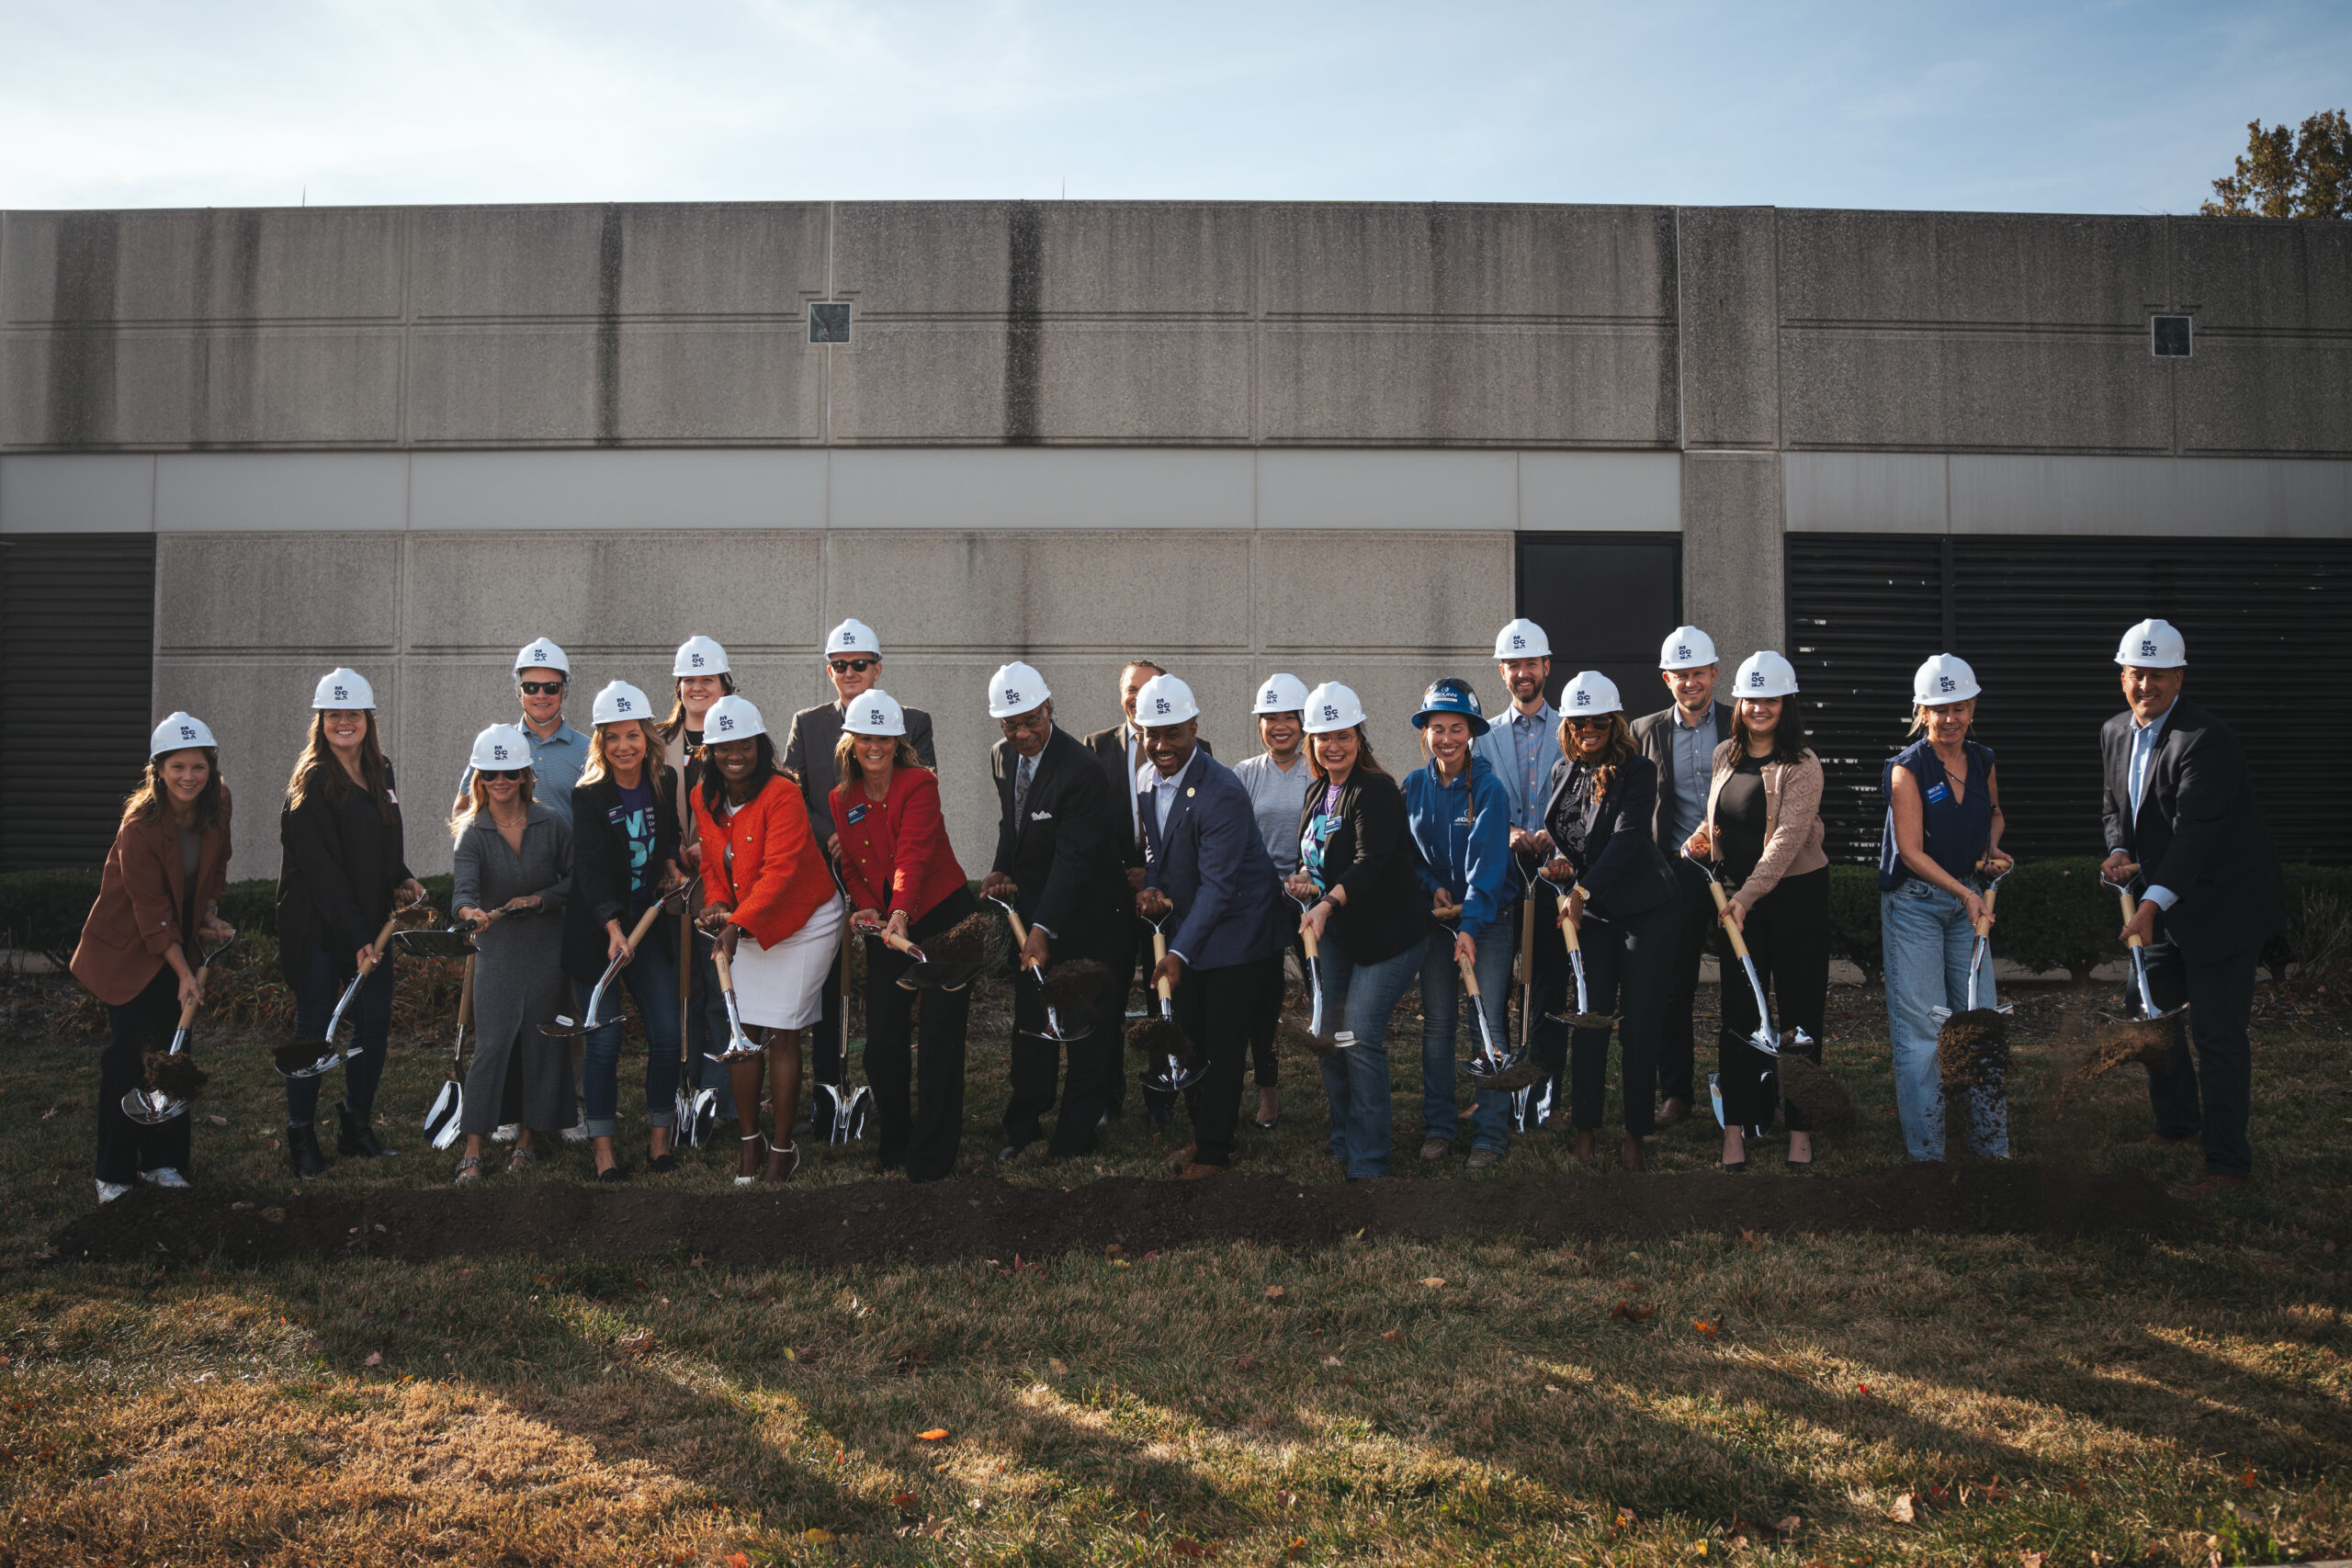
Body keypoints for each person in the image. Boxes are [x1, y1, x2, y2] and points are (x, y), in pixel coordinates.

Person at [2100, 617, 2284, 1200]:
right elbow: (2114, 806)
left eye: (2158, 675)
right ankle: (2177, 1125)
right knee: (2152, 1015)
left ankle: (2227, 1165)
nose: (2146, 685)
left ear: (2179, 677)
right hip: (2163, 898)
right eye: (2137, 674)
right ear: (2122, 676)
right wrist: (2120, 849)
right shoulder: (2113, 732)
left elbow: (2195, 833)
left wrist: (2151, 902)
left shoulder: (2208, 740)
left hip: (2223, 906)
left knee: (2216, 1033)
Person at [70, 713, 234, 1202]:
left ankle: (165, 1164)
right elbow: (151, 913)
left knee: (174, 1058)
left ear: (211, 768)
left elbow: (217, 862)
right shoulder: (140, 825)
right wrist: (186, 972)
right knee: (127, 1061)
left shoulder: (218, 803)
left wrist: (208, 912)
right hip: (130, 950)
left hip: (176, 941)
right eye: (177, 766)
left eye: (198, 767)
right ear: (158, 770)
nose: (189, 777)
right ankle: (114, 1175)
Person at [1133, 674, 1289, 1180]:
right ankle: (1204, 1139)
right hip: (1192, 927)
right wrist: (1153, 886)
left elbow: (1220, 887)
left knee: (1220, 1046)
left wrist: (1178, 954)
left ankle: (1215, 1155)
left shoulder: (1220, 789)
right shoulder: (1145, 779)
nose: (1161, 746)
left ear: (1194, 727)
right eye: (1150, 734)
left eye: (1172, 733)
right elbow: (1156, 851)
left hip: (1239, 932)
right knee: (1191, 1037)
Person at [783, 618, 937, 1126]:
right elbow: (793, 795)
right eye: (840, 665)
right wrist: (833, 833)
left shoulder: (913, 720)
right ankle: (827, 1092)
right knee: (828, 980)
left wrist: (855, 835)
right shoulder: (808, 723)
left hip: (887, 875)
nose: (850, 672)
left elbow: (920, 785)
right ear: (830, 672)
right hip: (825, 870)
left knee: (887, 989)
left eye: (860, 664)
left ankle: (883, 1091)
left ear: (878, 667)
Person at [276, 668, 425, 1178]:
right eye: (334, 715)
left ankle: (355, 1125)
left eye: (353, 714)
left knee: (375, 1023)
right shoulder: (312, 782)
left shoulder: (380, 769)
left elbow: (384, 843)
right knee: (315, 1029)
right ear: (321, 721)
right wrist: (357, 937)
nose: (344, 723)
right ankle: (300, 1136)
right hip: (318, 927)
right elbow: (323, 874)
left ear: (368, 719)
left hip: (369, 924)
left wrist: (400, 877)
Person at [1685, 651, 1829, 1173]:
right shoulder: (1726, 753)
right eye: (1751, 698)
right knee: (1740, 1017)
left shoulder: (1803, 765)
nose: (1759, 708)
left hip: (1793, 900)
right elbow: (1722, 819)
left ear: (1785, 704)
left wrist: (1746, 897)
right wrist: (1699, 840)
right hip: (1735, 905)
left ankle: (1799, 1130)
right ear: (1739, 703)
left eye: (1770, 699)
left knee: (1799, 1016)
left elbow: (1786, 841)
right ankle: (1736, 1131)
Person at [693, 694, 845, 1184]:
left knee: (780, 1030)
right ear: (710, 751)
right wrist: (718, 904)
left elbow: (780, 874)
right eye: (722, 746)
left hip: (805, 918)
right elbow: (713, 864)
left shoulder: (782, 793)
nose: (733, 754)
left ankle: (781, 1149)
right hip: (747, 920)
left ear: (760, 744)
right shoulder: (703, 797)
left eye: (744, 744)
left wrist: (736, 925)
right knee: (745, 1035)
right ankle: (748, 1145)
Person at [830, 689, 977, 1181]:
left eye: (884, 738)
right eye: (865, 737)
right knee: (883, 1043)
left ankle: (931, 1157)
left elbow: (913, 854)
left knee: (938, 1038)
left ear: (898, 742)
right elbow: (850, 862)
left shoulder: (920, 785)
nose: (875, 746)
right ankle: (896, 1139)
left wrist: (898, 911)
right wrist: (865, 902)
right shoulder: (841, 799)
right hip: (890, 924)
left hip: (942, 919)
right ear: (850, 742)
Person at [982, 661, 1125, 1163]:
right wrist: (1002, 870)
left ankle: (1075, 1137)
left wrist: (1042, 929)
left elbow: (1075, 859)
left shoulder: (1082, 770)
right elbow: (1012, 824)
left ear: (1050, 708)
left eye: (1031, 720)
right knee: (1031, 1025)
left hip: (1088, 914)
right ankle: (1024, 1127)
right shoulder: (1002, 757)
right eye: (1011, 724)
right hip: (1033, 914)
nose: (1022, 733)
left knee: (1086, 1027)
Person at [1538, 672, 1679, 1171]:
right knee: (1589, 1021)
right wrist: (1560, 865)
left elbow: (1626, 838)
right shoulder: (1563, 771)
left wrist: (1581, 889)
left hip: (1645, 911)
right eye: (1578, 721)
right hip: (1594, 915)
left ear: (1614, 721)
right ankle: (1585, 1133)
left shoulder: (1638, 772)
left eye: (1598, 720)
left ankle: (1635, 1136)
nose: (1587, 729)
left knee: (1640, 1024)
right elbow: (1572, 839)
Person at [1289, 682, 1425, 1181]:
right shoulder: (1317, 791)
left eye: (1343, 735)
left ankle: (1370, 1164)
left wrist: (1325, 903)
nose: (1333, 746)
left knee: (1359, 1035)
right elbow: (1315, 859)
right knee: (1330, 1035)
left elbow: (1370, 863)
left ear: (1359, 737)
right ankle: (1345, 1140)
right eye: (1323, 737)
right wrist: (1304, 881)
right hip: (1340, 936)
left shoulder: (1377, 790)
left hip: (1388, 937)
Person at [1880, 654, 2012, 1162]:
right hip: (1916, 905)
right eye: (1939, 708)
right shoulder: (1907, 769)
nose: (1950, 718)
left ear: (1972, 706)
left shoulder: (1983, 760)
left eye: (1959, 706)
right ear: (1922, 711)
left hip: (1968, 902)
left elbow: (1993, 814)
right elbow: (1911, 852)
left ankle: (1992, 1151)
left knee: (1981, 1021)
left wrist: (1991, 850)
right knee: (1925, 1033)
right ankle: (1929, 1156)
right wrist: (1964, 892)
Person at [563, 682, 686, 1181]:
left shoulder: (664, 782)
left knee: (665, 1034)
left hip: (647, 928)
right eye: (612, 737)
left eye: (632, 735)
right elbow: (589, 870)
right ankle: (604, 1152)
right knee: (605, 1041)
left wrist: (673, 865)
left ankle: (659, 1142)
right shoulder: (589, 797)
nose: (623, 746)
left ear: (648, 736)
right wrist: (612, 926)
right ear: (600, 742)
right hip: (599, 936)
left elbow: (668, 839)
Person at [1084, 659, 1213, 1127]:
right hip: (1116, 899)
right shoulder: (1096, 748)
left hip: (1169, 900)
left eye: (1147, 688)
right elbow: (1090, 825)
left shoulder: (1199, 752)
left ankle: (1163, 1098)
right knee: (1109, 998)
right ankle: (1108, 1097)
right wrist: (1129, 873)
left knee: (1168, 996)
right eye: (1129, 689)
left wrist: (1156, 879)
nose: (1136, 697)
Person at [449, 725, 575, 1182]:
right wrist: (471, 912)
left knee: (541, 1043)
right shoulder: (473, 834)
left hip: (546, 949)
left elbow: (573, 880)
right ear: (479, 779)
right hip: (498, 952)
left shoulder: (552, 824)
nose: (499, 781)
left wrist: (542, 899)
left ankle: (527, 1139)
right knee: (493, 1044)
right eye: (490, 774)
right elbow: (462, 892)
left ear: (524, 775)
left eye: (509, 772)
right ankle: (474, 1145)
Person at [1402, 678, 1516, 1168]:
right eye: (1437, 728)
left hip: (1486, 921)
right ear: (1425, 731)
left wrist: (1470, 924)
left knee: (1485, 1022)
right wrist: (1431, 886)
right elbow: (1408, 853)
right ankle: (1439, 1127)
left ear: (1471, 732)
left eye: (1456, 728)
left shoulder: (1487, 788)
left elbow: (1487, 868)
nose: (1446, 738)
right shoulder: (1413, 786)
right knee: (1438, 1025)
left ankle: (1490, 1133)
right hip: (1438, 921)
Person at [1629, 625, 1733, 1131]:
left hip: (1736, 871)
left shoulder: (1741, 725)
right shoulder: (1643, 730)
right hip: (1674, 872)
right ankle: (1676, 1094)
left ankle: (1749, 1087)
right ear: (1666, 678)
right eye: (1680, 675)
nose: (1690, 683)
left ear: (1714, 673)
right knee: (1675, 989)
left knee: (1743, 980)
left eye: (1699, 673)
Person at [1472, 618, 1563, 1126]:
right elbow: (1478, 792)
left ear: (1546, 667)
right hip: (1502, 874)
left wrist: (1557, 833)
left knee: (1546, 989)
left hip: (1554, 873)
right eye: (1514, 665)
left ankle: (1543, 1098)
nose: (1523, 673)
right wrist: (1506, 829)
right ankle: (1495, 1093)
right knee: (1494, 985)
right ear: (1503, 672)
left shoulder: (1570, 725)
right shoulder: (1485, 737)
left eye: (1532, 663)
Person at [1231, 672, 1316, 1132]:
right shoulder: (1244, 774)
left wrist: (1306, 878)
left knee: (1323, 994)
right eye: (1270, 717)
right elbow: (1235, 841)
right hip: (1260, 903)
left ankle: (1337, 1080)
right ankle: (1269, 1094)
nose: (1280, 726)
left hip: (1311, 900)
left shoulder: (1320, 768)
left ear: (1303, 722)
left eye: (1289, 716)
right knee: (1262, 1004)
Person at [662, 634, 737, 1125]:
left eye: (706, 678)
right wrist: (671, 857)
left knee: (720, 989)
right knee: (679, 993)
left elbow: (757, 815)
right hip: (672, 889)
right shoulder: (656, 741)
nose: (696, 687)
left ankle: (721, 1098)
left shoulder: (741, 733)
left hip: (723, 891)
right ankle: (679, 1090)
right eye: (688, 679)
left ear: (724, 683)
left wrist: (713, 851)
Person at [452, 637, 592, 826]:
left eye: (551, 687)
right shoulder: (496, 745)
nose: (541, 695)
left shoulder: (590, 750)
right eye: (531, 687)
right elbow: (462, 809)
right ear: (519, 690)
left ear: (564, 690)